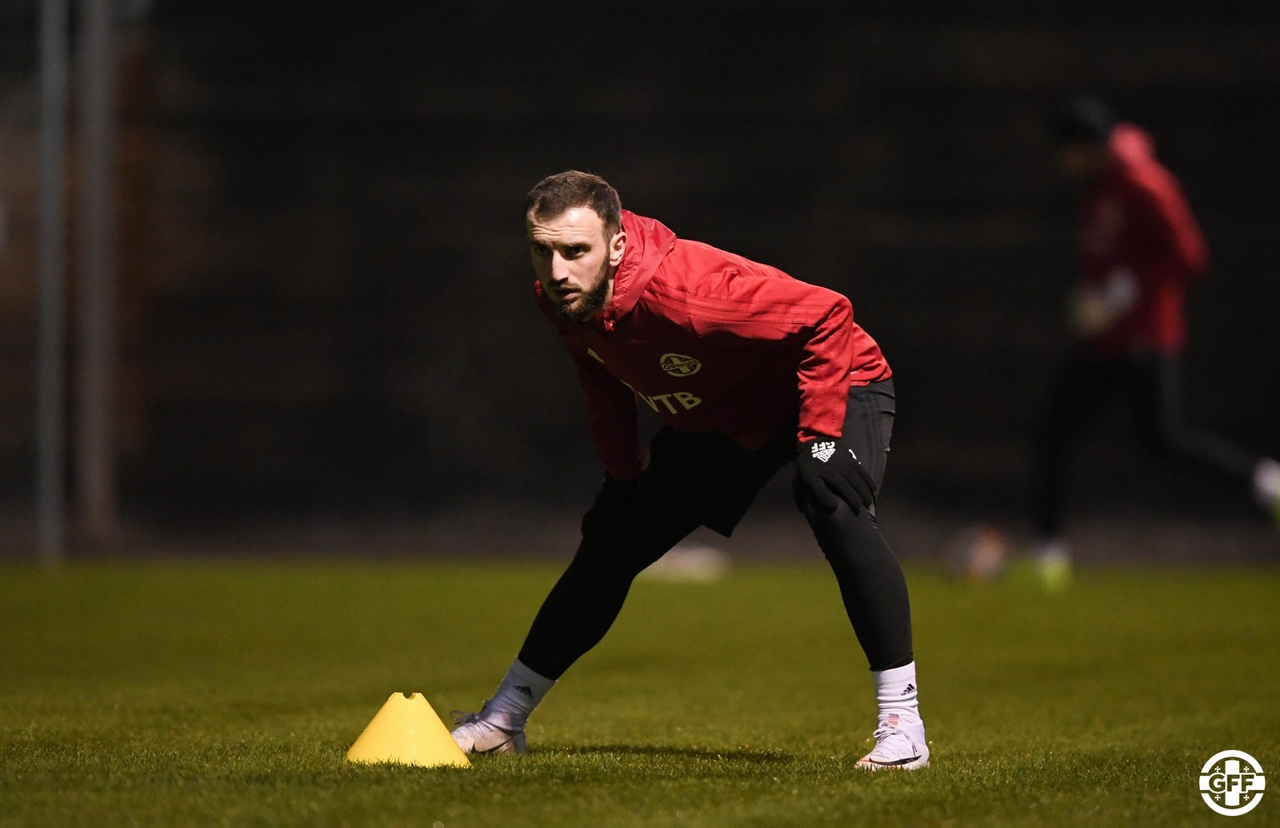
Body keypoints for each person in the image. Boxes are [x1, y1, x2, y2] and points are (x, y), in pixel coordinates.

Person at [450, 170, 929, 770]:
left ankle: (903, 729)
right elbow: (602, 376)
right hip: (728, 412)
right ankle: (502, 720)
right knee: (614, 537)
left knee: (831, 503)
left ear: (616, 246)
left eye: (575, 250)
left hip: (834, 379)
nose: (557, 270)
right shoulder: (561, 297)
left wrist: (821, 440)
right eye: (541, 251)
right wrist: (622, 476)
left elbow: (829, 315)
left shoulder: (688, 293)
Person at [1032, 97, 1280, 576]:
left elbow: (1189, 257)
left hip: (1144, 339)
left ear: (1084, 146)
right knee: (1056, 431)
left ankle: (1268, 481)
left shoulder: (1147, 184)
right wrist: (1094, 297)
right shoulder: (1099, 184)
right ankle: (1048, 551)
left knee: (1162, 441)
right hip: (1107, 340)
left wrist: (1120, 294)